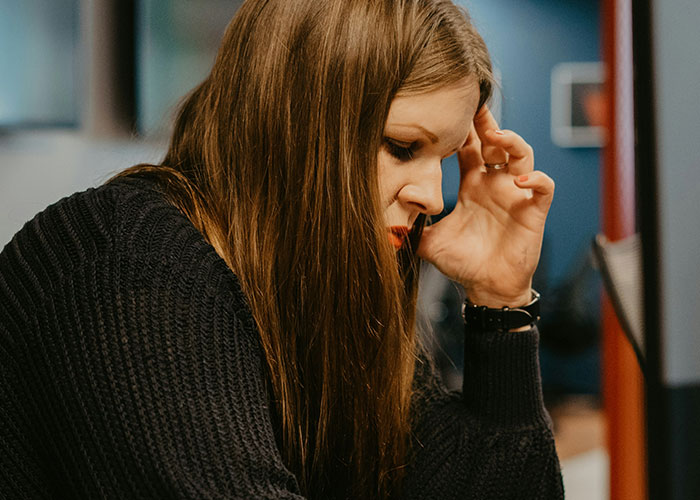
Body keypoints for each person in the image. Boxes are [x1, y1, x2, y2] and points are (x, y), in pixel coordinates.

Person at [0, 0, 562, 498]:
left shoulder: (309, 286)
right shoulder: (127, 271)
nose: (434, 199)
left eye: (440, 159)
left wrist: (499, 300)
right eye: (402, 146)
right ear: (297, 123)